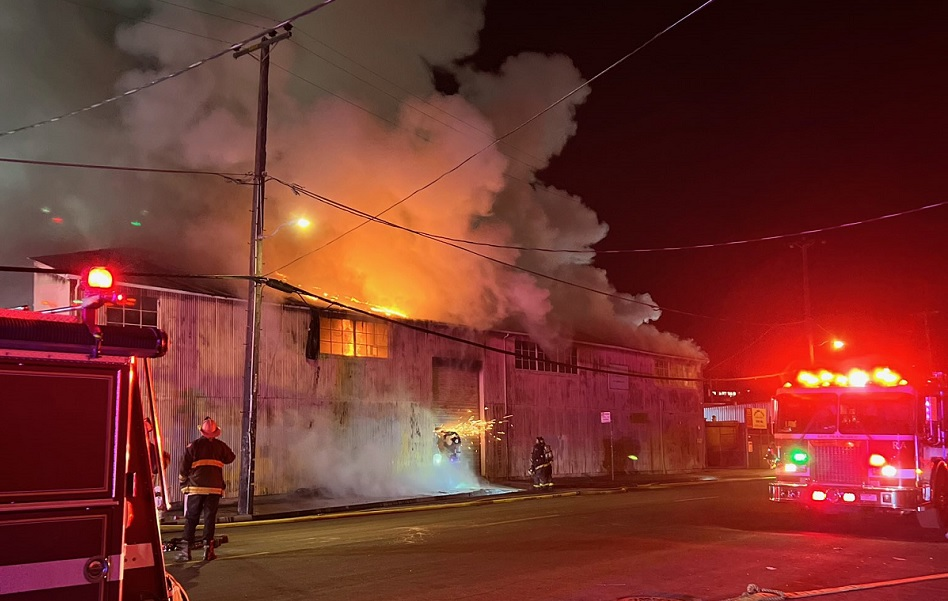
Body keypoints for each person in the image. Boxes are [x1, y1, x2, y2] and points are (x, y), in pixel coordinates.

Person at [177, 417, 235, 562]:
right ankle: (208, 551)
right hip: (214, 489)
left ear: (202, 432)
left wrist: (183, 483)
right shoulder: (220, 446)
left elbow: (184, 467)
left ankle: (185, 552)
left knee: (192, 518)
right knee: (209, 518)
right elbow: (230, 458)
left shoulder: (194, 446)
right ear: (215, 433)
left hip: (196, 488)